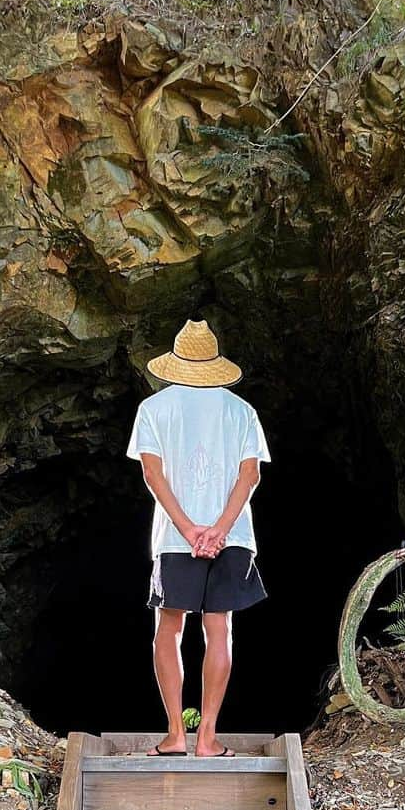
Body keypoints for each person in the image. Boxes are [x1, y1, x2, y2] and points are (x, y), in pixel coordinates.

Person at [127, 320, 269, 758]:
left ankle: (175, 735)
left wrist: (188, 529)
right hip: (233, 535)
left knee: (168, 629)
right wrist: (221, 529)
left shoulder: (154, 409)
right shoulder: (241, 411)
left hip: (175, 538)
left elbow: (153, 474)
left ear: (175, 363)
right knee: (219, 631)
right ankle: (207, 737)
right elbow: (251, 475)